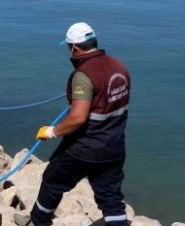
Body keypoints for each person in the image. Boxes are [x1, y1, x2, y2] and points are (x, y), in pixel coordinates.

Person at [15, 22, 131, 226]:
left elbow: (78, 117)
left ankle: (38, 222)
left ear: (75, 48)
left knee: (52, 180)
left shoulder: (84, 75)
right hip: (114, 146)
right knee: (110, 197)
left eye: (69, 48)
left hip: (84, 148)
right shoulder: (118, 66)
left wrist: (51, 132)